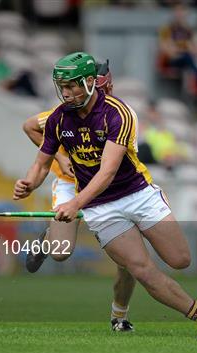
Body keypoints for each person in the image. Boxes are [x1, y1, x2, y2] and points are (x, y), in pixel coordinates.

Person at [14, 51, 197, 337]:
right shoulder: (57, 118)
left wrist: (75, 203)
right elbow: (41, 164)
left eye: (71, 86)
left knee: (180, 259)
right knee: (141, 268)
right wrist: (28, 182)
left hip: (136, 193)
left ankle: (121, 308)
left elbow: (108, 171)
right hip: (101, 207)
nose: (65, 93)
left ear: (90, 83)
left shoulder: (119, 113)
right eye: (61, 87)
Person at [22, 60, 137, 332]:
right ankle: (47, 239)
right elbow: (30, 126)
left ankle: (118, 317)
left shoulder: (122, 115)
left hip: (110, 191)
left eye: (102, 86)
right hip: (70, 184)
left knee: (129, 263)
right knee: (61, 253)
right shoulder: (66, 112)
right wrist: (60, 159)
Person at [158, 4, 197, 87]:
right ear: (174, 13)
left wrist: (184, 49)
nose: (180, 14)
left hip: (188, 58)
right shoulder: (166, 29)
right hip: (172, 61)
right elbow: (166, 49)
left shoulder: (188, 30)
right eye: (178, 12)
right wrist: (186, 49)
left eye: (182, 12)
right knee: (188, 57)